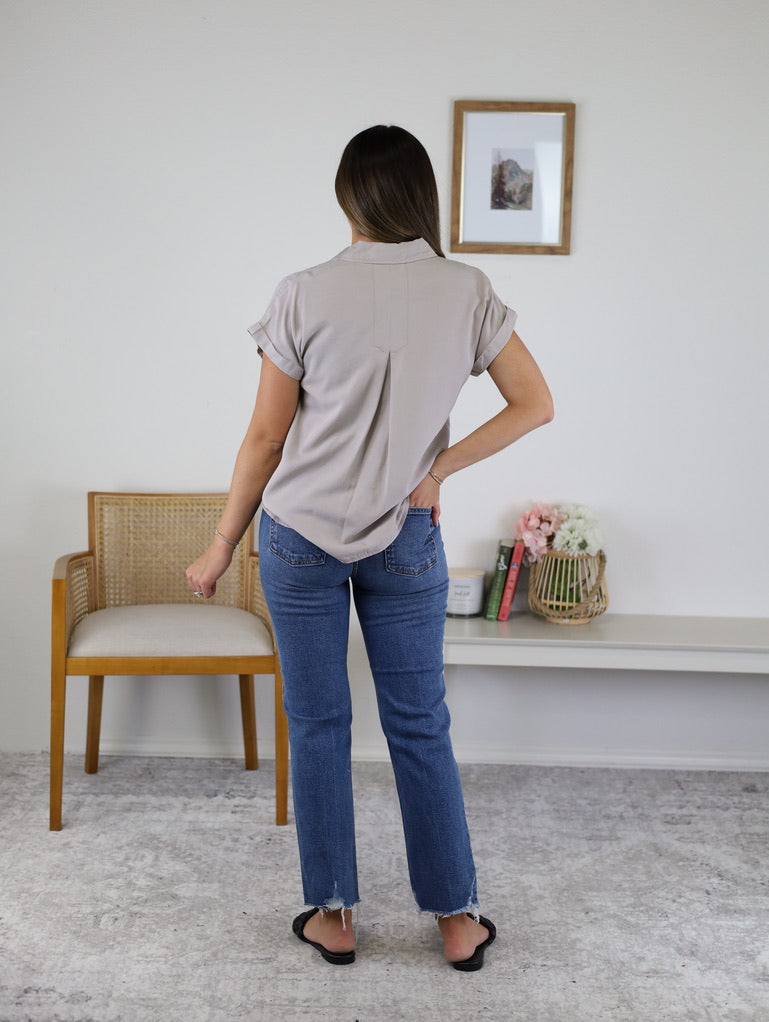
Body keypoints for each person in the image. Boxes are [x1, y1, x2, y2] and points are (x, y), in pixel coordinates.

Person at [186, 124, 553, 971]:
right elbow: (534, 403)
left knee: (318, 724)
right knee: (419, 724)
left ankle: (334, 917)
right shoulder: (466, 289)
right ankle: (456, 921)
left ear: (349, 197)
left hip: (299, 538)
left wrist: (220, 544)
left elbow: (265, 439)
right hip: (405, 535)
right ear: (420, 194)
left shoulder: (303, 292)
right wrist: (436, 472)